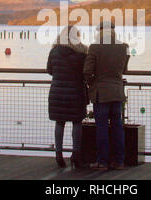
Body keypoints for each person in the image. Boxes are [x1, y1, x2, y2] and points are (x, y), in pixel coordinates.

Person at [83, 21, 130, 170]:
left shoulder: (95, 47)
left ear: (100, 32)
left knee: (102, 128)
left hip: (100, 94)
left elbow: (87, 71)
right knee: (117, 128)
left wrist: (92, 83)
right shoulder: (123, 47)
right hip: (117, 92)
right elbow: (124, 70)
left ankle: (102, 162)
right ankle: (119, 161)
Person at [47, 25, 88, 169]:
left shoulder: (54, 52)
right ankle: (76, 155)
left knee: (60, 122)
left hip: (57, 92)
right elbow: (85, 73)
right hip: (75, 92)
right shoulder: (82, 53)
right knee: (77, 122)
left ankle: (58, 154)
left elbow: (49, 70)